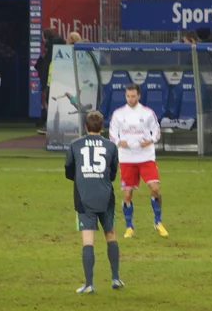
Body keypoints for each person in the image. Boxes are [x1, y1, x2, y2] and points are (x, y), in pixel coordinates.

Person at [65, 111, 124, 294]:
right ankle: (115, 278)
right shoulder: (111, 146)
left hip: (84, 197)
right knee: (111, 235)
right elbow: (113, 173)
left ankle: (89, 284)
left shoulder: (75, 145)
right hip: (106, 196)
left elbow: (68, 171)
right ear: (103, 126)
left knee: (88, 240)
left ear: (85, 127)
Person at [109, 83, 168, 238]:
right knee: (127, 195)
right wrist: (118, 142)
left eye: (133, 96)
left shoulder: (148, 113)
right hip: (127, 158)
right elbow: (112, 134)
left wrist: (150, 141)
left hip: (146, 156)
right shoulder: (118, 114)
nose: (131, 99)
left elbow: (156, 131)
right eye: (128, 96)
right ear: (125, 96)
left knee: (155, 188)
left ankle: (158, 222)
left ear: (139, 96)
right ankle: (129, 227)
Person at [35, 29, 65, 134]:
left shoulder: (49, 48)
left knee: (50, 103)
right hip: (58, 80)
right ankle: (53, 126)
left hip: (50, 80)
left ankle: (51, 126)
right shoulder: (62, 45)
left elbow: (44, 65)